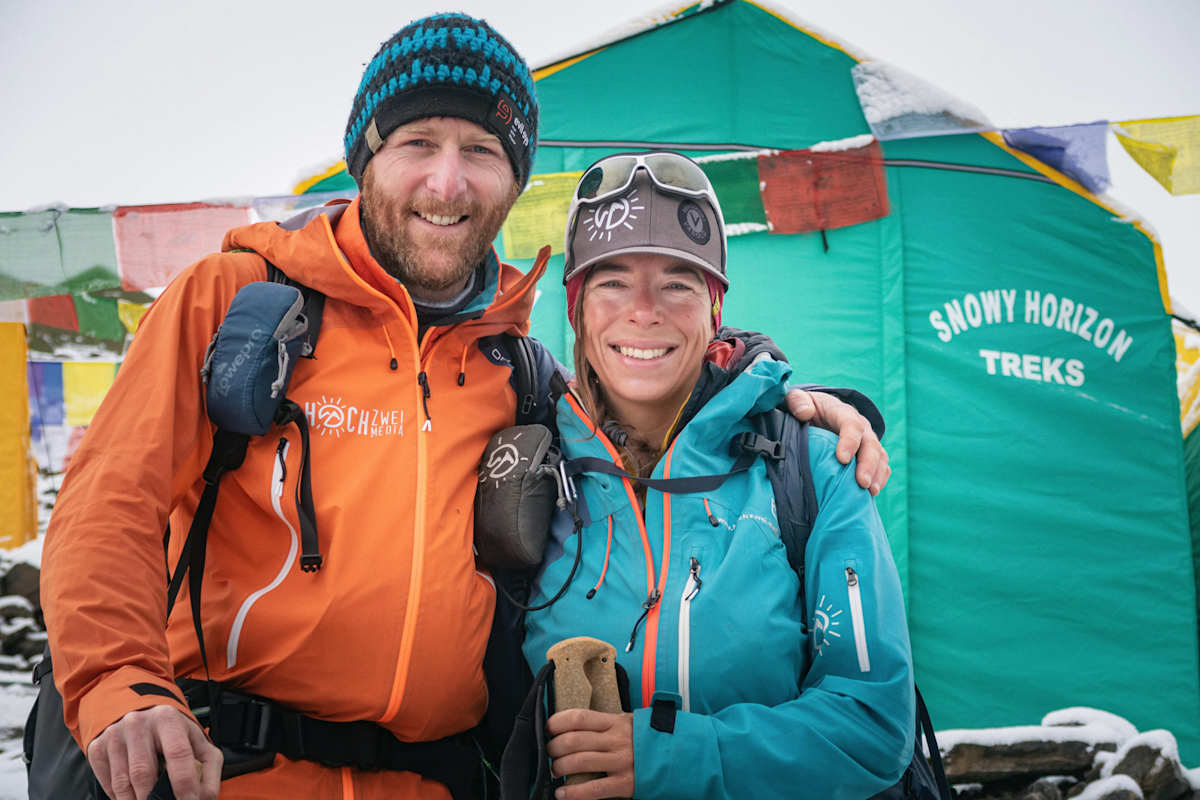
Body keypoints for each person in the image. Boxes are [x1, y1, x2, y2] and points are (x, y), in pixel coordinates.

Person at [40, 16, 889, 800]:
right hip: (230, 771)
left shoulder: (516, 371)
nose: (447, 181)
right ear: (364, 158)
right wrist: (120, 682)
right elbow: (109, 500)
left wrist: (792, 404)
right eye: (418, 141)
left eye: (481, 150)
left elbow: (661, 393)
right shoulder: (239, 302)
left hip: (430, 783)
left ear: (513, 182)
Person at [520, 152, 915, 800]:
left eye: (677, 282)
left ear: (714, 311)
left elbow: (873, 721)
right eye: (612, 281)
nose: (643, 310)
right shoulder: (528, 460)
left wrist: (672, 758)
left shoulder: (815, 468)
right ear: (576, 309)